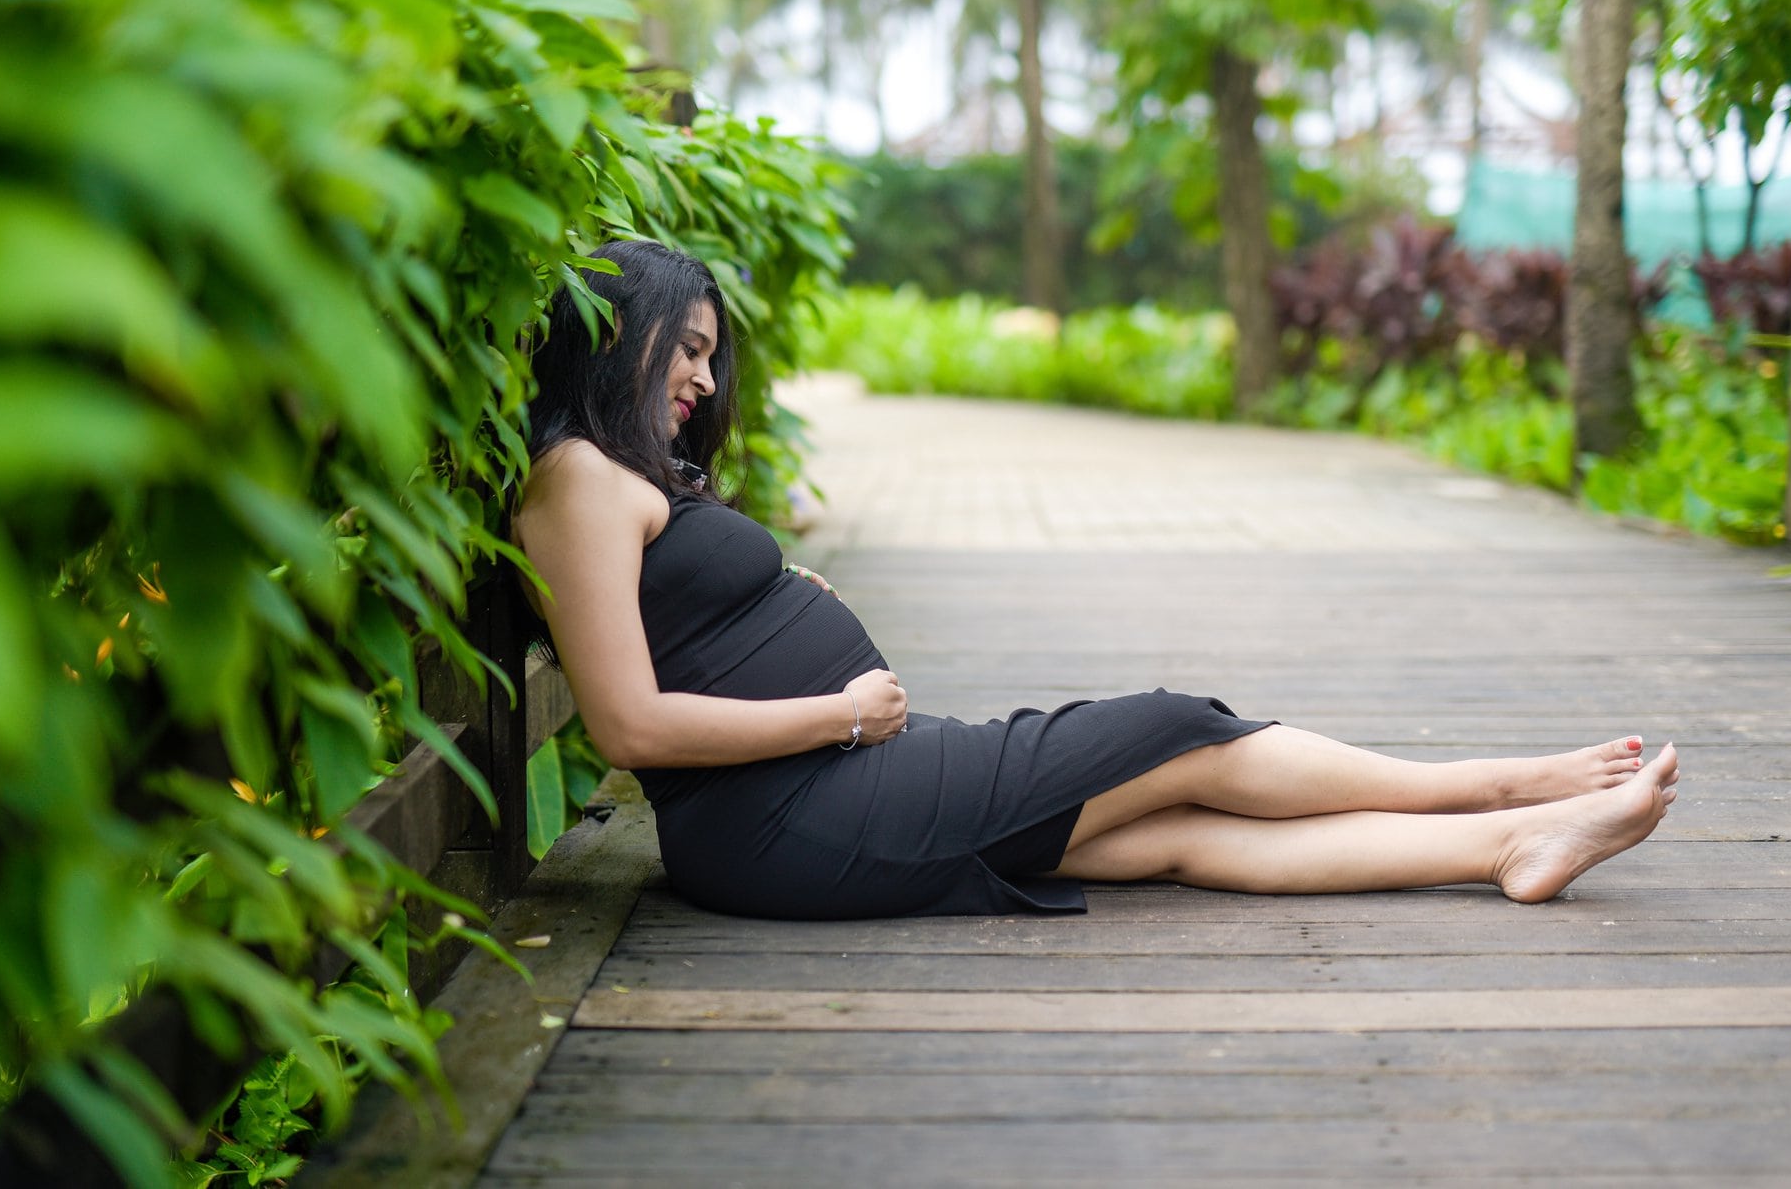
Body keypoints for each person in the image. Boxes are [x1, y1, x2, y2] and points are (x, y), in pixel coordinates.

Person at [512, 240, 1680, 920]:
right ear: (623, 330)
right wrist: (843, 713)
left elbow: (670, 615)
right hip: (802, 808)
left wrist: (774, 591)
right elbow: (629, 724)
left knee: (1169, 831)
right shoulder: (575, 479)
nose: (706, 385)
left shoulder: (614, 477)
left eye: (715, 358)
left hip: (826, 797)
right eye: (694, 349)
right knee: (1175, 732)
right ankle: (1495, 790)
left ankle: (1507, 847)